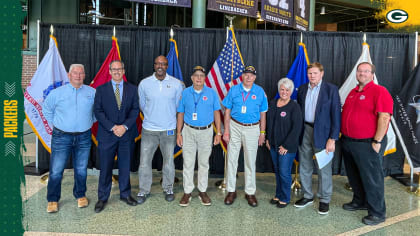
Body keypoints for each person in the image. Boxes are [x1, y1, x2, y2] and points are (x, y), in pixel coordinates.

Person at [341, 62, 393, 225]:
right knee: (354, 175)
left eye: (366, 71)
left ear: (372, 74)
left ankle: (377, 213)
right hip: (349, 141)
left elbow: (384, 117)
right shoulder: (353, 92)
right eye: (359, 71)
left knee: (372, 179)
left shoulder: (379, 91)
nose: (362, 73)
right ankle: (360, 201)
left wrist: (377, 141)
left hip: (368, 143)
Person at [43, 64, 96, 213]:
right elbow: (46, 109)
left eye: (81, 73)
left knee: (81, 169)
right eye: (75, 73)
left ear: (84, 75)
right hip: (61, 136)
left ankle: (80, 195)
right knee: (56, 170)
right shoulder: (57, 93)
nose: (78, 75)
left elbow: (98, 111)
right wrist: (56, 123)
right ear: (69, 75)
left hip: (84, 136)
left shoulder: (92, 92)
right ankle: (52, 199)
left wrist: (90, 121)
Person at [93, 60, 140, 213]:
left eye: (120, 69)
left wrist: (124, 127)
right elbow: (98, 111)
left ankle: (125, 194)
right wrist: (113, 127)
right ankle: (102, 197)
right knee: (105, 167)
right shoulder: (100, 90)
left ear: (124, 71)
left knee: (125, 167)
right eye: (114, 69)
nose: (117, 72)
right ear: (109, 71)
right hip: (107, 135)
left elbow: (135, 110)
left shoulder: (132, 89)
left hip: (126, 135)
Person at [294, 62, 341, 215]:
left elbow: (336, 115)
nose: (312, 76)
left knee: (324, 168)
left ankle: (324, 199)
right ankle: (307, 196)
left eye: (315, 73)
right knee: (305, 165)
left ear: (322, 73)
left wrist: (332, 138)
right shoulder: (301, 89)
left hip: (323, 133)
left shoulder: (331, 90)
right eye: (310, 73)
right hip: (305, 130)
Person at [137, 55, 183, 204]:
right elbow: (142, 105)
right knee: (144, 162)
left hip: (169, 129)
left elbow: (177, 107)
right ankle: (143, 190)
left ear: (167, 66)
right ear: (154, 65)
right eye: (158, 63)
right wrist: (153, 117)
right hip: (149, 129)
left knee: (169, 161)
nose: (160, 66)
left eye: (163, 64)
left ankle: (168, 188)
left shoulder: (176, 84)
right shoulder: (144, 84)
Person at [222, 65, 268, 207]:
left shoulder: (260, 92)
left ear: (255, 77)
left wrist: (262, 133)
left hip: (252, 128)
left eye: (251, 75)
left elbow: (263, 114)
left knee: (250, 161)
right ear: (242, 76)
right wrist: (226, 130)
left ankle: (250, 192)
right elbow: (227, 111)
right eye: (246, 74)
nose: (248, 77)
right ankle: (231, 190)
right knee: (232, 159)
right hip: (235, 126)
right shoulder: (234, 89)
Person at [176, 66, 222, 207]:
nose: (199, 78)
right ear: (192, 78)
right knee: (188, 163)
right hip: (188, 131)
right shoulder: (185, 93)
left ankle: (202, 191)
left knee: (203, 163)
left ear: (204, 78)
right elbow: (181, 113)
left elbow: (216, 113)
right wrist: (179, 132)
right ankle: (188, 191)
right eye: (196, 75)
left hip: (206, 132)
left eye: (201, 75)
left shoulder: (212, 93)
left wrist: (218, 132)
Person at [266, 78, 303, 208]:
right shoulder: (272, 103)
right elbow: (269, 123)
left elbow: (296, 128)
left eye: (287, 90)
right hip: (273, 145)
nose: (284, 92)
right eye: (282, 89)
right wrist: (267, 139)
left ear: (291, 91)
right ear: (279, 89)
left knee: (284, 172)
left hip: (287, 148)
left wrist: (286, 145)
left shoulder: (294, 107)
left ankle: (285, 198)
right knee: (277, 171)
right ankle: (278, 194)